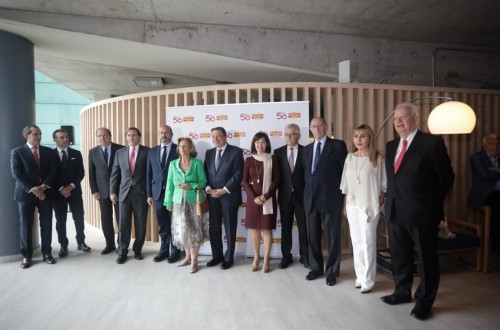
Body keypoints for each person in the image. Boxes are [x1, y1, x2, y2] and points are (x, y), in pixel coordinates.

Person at [381, 103, 454, 320]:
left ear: (416, 119)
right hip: (395, 211)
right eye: (396, 119)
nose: (399, 122)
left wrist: (431, 204)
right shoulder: (391, 145)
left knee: (426, 260)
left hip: (422, 213)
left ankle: (424, 302)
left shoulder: (432, 143)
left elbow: (446, 178)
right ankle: (402, 292)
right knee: (400, 256)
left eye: (403, 117)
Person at [340, 124, 386, 293]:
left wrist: (379, 201)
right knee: (356, 242)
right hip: (352, 205)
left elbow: (383, 186)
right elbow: (346, 185)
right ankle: (360, 276)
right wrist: (345, 204)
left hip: (369, 206)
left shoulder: (378, 159)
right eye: (356, 136)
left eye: (363, 136)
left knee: (368, 243)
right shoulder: (349, 158)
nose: (359, 139)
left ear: (370, 138)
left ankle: (369, 279)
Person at [303, 117, 347, 286]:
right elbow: (305, 176)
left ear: (326, 127)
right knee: (313, 237)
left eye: (320, 125)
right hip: (311, 199)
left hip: (331, 199)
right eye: (314, 126)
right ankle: (316, 268)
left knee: (333, 237)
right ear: (310, 129)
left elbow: (344, 172)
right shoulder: (306, 150)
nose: (317, 128)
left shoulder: (337, 146)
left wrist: (343, 198)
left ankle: (332, 271)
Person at [10, 125, 57, 268]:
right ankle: (26, 257)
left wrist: (42, 188)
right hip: (25, 194)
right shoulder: (17, 152)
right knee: (25, 226)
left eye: (40, 134)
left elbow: (53, 171)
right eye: (35, 134)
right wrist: (33, 189)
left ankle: (47, 253)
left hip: (46, 194)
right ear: (26, 135)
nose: (39, 137)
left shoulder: (48, 152)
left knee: (47, 224)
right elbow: (17, 173)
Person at [164, 137, 207, 273]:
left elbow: (203, 182)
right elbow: (169, 185)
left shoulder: (197, 164)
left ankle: (194, 260)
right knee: (183, 231)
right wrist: (168, 202)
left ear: (190, 148)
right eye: (180, 146)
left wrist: (191, 186)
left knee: (194, 231)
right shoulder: (172, 164)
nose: (182, 148)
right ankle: (187, 257)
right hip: (178, 203)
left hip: (194, 202)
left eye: (185, 146)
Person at [204, 127, 244, 270]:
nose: (215, 139)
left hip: (229, 197)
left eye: (219, 136)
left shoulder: (236, 152)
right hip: (212, 197)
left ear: (226, 137)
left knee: (229, 230)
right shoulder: (209, 153)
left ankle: (228, 258)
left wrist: (224, 190)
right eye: (213, 136)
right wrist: (208, 189)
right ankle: (217, 256)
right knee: (214, 229)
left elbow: (238, 174)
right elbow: (205, 174)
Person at [110, 127, 150, 264]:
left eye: (134, 135)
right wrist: (112, 192)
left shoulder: (147, 151)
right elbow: (115, 174)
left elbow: (149, 174)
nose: (131, 138)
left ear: (139, 137)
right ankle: (122, 252)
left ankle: (138, 250)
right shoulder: (119, 153)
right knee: (123, 225)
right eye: (128, 135)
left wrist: (149, 194)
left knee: (140, 224)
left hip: (141, 194)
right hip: (123, 194)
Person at [243, 132, 280, 273]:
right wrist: (254, 197)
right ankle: (256, 258)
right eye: (257, 142)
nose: (260, 145)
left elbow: (277, 180)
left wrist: (266, 196)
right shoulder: (249, 160)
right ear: (253, 144)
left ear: (267, 144)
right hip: (253, 201)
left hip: (268, 199)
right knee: (255, 230)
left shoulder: (273, 159)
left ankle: (266, 259)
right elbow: (245, 181)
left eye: (263, 142)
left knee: (267, 229)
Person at [274, 123, 308, 269]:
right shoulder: (278, 152)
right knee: (285, 228)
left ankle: (305, 257)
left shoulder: (307, 151)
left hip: (302, 196)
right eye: (286, 134)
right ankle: (286, 257)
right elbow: (276, 176)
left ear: (299, 136)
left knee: (304, 228)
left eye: (292, 134)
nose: (288, 137)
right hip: (285, 196)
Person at [52, 129, 91, 257]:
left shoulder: (76, 153)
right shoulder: (50, 155)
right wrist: (61, 189)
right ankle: (63, 245)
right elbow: (49, 175)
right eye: (61, 137)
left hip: (74, 192)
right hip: (58, 194)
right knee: (60, 220)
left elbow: (81, 173)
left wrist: (70, 187)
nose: (65, 139)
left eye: (66, 136)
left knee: (79, 218)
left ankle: (81, 242)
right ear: (55, 140)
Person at [147, 124, 181, 263]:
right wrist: (149, 194)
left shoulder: (178, 149)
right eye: (161, 132)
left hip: (174, 194)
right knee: (163, 225)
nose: (164, 135)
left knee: (174, 223)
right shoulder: (152, 151)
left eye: (166, 132)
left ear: (171, 134)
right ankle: (164, 250)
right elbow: (148, 174)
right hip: (157, 195)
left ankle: (175, 251)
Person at [88, 127, 124, 254]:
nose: (102, 138)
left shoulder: (121, 149)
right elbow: (91, 173)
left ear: (110, 136)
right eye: (99, 135)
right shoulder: (92, 152)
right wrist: (94, 190)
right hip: (102, 191)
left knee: (121, 219)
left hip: (119, 191)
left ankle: (121, 245)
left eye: (105, 135)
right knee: (106, 219)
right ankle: (110, 244)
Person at [468, 133, 500, 251]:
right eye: (491, 144)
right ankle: (495, 242)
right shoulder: (476, 157)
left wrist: (496, 170)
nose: (495, 147)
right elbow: (484, 174)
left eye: (497, 144)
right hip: (485, 193)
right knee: (497, 208)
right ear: (484, 145)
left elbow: (490, 174)